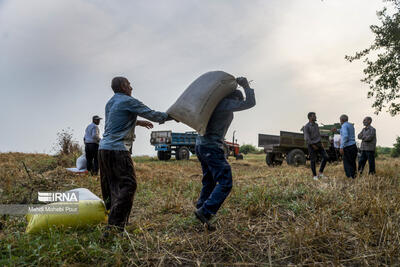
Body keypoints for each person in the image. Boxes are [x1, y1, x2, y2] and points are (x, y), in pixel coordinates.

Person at [99, 76, 172, 234]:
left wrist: (137, 122)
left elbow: (115, 120)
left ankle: (115, 219)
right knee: (128, 184)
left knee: (112, 185)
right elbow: (154, 115)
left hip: (103, 149)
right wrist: (174, 115)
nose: (132, 88)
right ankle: (114, 227)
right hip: (118, 149)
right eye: (129, 85)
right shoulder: (128, 101)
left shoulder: (111, 102)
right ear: (124, 86)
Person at [194, 77, 256, 230]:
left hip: (200, 145)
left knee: (209, 181)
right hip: (211, 147)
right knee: (225, 182)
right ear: (234, 98)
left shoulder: (214, 104)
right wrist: (246, 86)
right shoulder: (225, 104)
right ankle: (206, 211)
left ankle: (201, 209)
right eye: (236, 102)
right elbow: (250, 103)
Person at [303, 112, 329, 180]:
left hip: (319, 143)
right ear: (310, 117)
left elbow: (318, 135)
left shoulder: (316, 125)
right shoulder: (306, 127)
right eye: (314, 116)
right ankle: (314, 176)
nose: (315, 117)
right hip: (311, 145)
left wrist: (320, 142)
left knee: (326, 157)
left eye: (315, 116)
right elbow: (307, 138)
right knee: (313, 160)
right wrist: (312, 145)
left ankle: (320, 173)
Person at [339, 114, 357, 178]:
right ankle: (354, 176)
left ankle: (349, 177)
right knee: (352, 162)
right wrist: (338, 130)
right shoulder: (350, 125)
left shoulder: (344, 125)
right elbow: (347, 133)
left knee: (347, 163)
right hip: (353, 146)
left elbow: (345, 136)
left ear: (342, 120)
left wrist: (341, 147)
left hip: (348, 147)